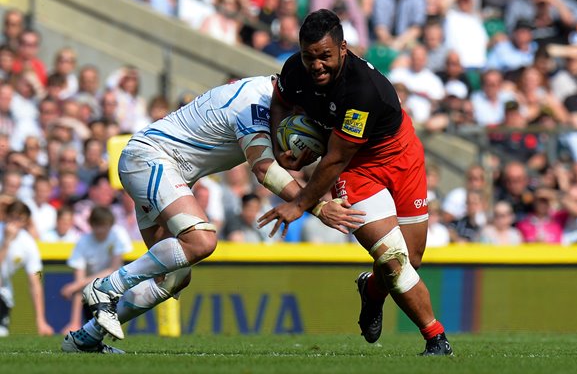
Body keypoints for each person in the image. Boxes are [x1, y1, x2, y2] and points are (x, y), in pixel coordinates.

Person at [61, 75, 363, 353]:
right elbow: (263, 168)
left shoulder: (268, 99)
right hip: (151, 158)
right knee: (201, 241)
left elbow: (276, 157)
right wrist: (317, 206)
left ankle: (87, 339)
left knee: (173, 279)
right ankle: (106, 287)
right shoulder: (254, 104)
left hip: (156, 164)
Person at [258, 9, 453, 356]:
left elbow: (334, 158)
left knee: (412, 259)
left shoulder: (361, 91)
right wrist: (278, 144)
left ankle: (372, 291)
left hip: (400, 154)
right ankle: (436, 338)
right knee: (393, 259)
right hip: (356, 172)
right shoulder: (294, 69)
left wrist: (298, 204)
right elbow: (279, 103)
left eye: (324, 56)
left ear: (343, 49)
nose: (316, 65)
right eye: (309, 56)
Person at [60, 206, 132, 335]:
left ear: (110, 225)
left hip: (117, 291)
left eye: (104, 225)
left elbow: (113, 269)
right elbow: (79, 284)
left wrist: (75, 285)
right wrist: (74, 322)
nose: (101, 230)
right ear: (91, 224)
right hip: (91, 293)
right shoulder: (82, 242)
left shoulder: (118, 234)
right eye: (97, 225)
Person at [0, 200, 54, 337]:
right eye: (12, 217)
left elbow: (35, 282)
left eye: (19, 219)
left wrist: (40, 321)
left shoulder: (28, 244)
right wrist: (6, 242)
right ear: (6, 216)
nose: (14, 222)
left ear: (25, 222)